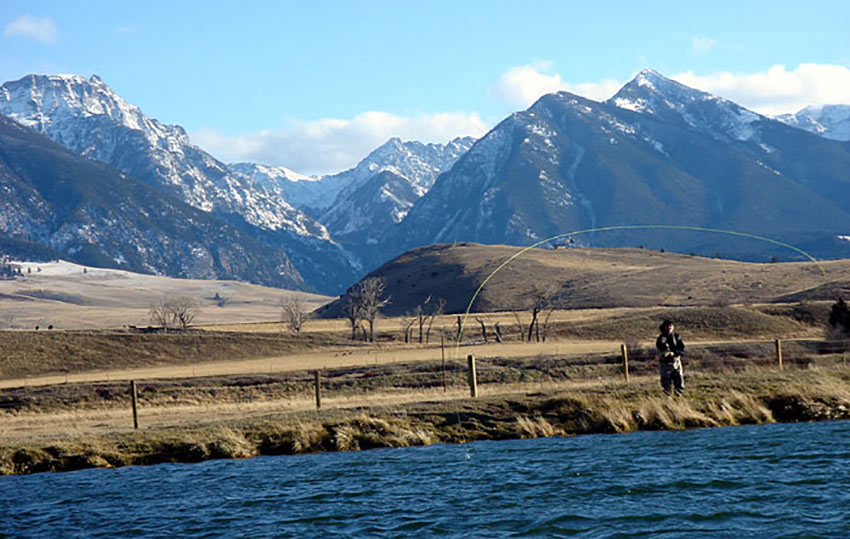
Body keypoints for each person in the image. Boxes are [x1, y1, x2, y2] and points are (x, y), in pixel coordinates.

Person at [656, 319, 685, 396]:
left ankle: (678, 396)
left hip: (676, 362)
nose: (669, 328)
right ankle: (668, 397)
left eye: (671, 326)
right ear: (664, 327)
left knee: (679, 380)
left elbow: (682, 349)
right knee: (666, 383)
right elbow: (660, 347)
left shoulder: (677, 337)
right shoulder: (661, 338)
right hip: (665, 364)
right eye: (668, 326)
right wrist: (667, 352)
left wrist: (674, 353)